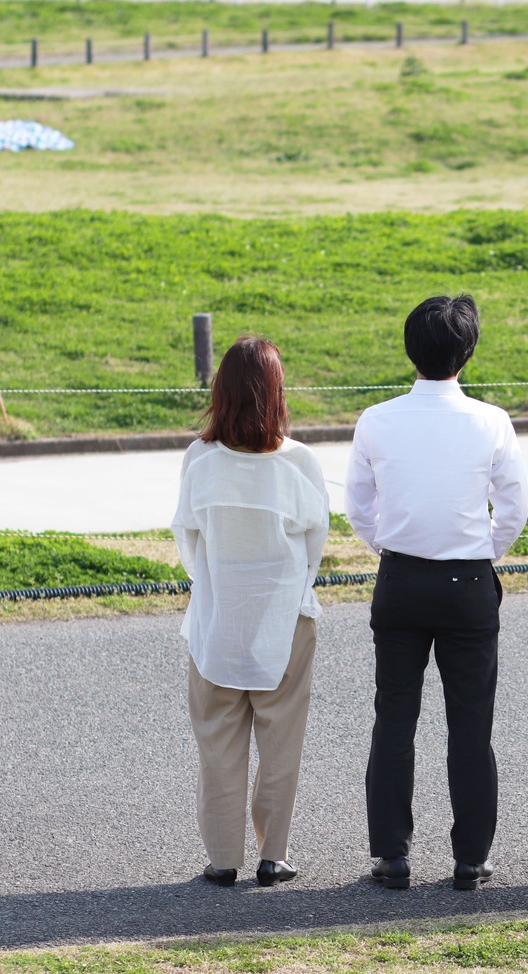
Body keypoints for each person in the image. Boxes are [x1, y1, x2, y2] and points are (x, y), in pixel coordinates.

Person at [346, 293, 528, 892]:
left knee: (394, 719)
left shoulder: (377, 419)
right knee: (471, 725)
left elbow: (360, 507)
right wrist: (483, 549)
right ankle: (471, 858)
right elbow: (514, 507)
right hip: (468, 582)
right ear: (467, 351)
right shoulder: (491, 421)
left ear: (410, 349)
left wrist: (391, 546)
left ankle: (391, 855)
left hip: (399, 579)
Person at [171, 336, 330, 889]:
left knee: (218, 741)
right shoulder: (300, 461)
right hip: (284, 620)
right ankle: (273, 854)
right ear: (277, 392)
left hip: (217, 619)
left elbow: (187, 540)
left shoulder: (200, 458)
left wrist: (217, 580)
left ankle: (221, 859)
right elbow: (315, 545)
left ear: (221, 392)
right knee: (281, 741)